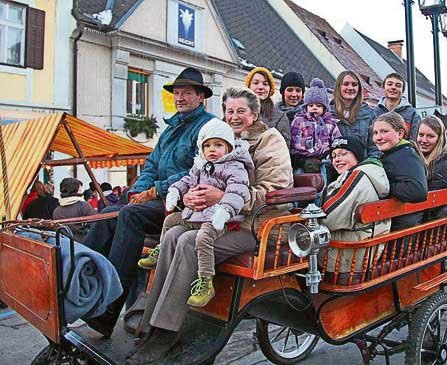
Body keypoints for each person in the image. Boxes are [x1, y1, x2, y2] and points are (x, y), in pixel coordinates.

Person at [126, 87, 293, 364]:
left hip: (254, 223)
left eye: (241, 111)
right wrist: (190, 196)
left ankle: (167, 332)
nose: (234, 116)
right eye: (230, 111)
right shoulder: (218, 139)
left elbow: (275, 192)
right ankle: (152, 320)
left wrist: (223, 197)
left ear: (254, 114)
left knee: (187, 242)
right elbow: (196, 177)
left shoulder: (269, 140)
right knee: (173, 234)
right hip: (213, 218)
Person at [82, 67, 215, 338]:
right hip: (156, 199)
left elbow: (198, 170)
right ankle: (80, 282)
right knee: (109, 213)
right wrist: (137, 192)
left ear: (201, 97)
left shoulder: (208, 127)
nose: (180, 98)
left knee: (129, 217)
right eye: (177, 93)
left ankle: (108, 312)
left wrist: (155, 191)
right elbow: (151, 166)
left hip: (182, 203)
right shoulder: (169, 131)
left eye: (186, 93)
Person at [137, 118, 253, 307]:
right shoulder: (200, 166)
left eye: (218, 145)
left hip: (219, 218)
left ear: (229, 148)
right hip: (198, 214)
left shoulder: (234, 167)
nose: (212, 150)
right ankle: (159, 251)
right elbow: (186, 181)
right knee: (170, 222)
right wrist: (176, 192)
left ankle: (206, 280)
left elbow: (237, 191)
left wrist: (224, 210)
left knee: (203, 238)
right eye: (207, 146)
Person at [321, 136, 390, 273]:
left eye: (343, 153)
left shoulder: (357, 177)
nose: (337, 159)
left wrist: (307, 221)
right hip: (362, 249)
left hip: (349, 256)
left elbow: (329, 218)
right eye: (334, 156)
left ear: (357, 155)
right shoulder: (369, 174)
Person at [373, 112, 428, 231]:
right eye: (375, 133)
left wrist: (383, 186)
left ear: (400, 133)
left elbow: (418, 190)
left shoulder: (405, 155)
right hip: (400, 224)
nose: (378, 137)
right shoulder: (397, 153)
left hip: (401, 230)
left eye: (384, 131)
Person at [289, 78, 341, 175]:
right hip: (302, 158)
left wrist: (329, 155)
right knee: (299, 179)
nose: (314, 108)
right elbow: (292, 139)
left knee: (321, 180)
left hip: (321, 159)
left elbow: (336, 141)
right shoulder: (299, 120)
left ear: (325, 108)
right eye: (311, 105)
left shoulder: (330, 123)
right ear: (305, 107)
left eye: (318, 105)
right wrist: (297, 156)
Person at [416, 116, 447, 219]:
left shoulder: (444, 167)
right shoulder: (415, 159)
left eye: (430, 136)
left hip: (437, 225)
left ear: (440, 139)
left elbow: (420, 197)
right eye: (421, 135)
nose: (424, 140)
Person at [330, 70, 378, 158]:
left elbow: (374, 145)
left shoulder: (369, 114)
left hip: (363, 166)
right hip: (335, 166)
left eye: (354, 85)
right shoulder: (328, 114)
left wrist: (371, 163)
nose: (350, 88)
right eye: (346, 84)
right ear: (338, 87)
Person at [244, 67, 291, 145]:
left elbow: (283, 148)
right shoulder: (236, 112)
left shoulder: (280, 117)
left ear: (270, 89)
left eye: (265, 84)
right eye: (256, 83)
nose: (260, 87)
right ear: (249, 86)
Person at [373, 73, 421, 140]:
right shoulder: (374, 112)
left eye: (398, 86)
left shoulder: (412, 114)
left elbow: (415, 139)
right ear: (383, 88)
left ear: (403, 91)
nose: (393, 87)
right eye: (390, 84)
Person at [52, 178, 97, 242]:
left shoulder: (56, 210)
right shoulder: (83, 206)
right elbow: (96, 226)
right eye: (80, 189)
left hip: (65, 246)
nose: (82, 191)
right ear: (74, 189)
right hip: (83, 246)